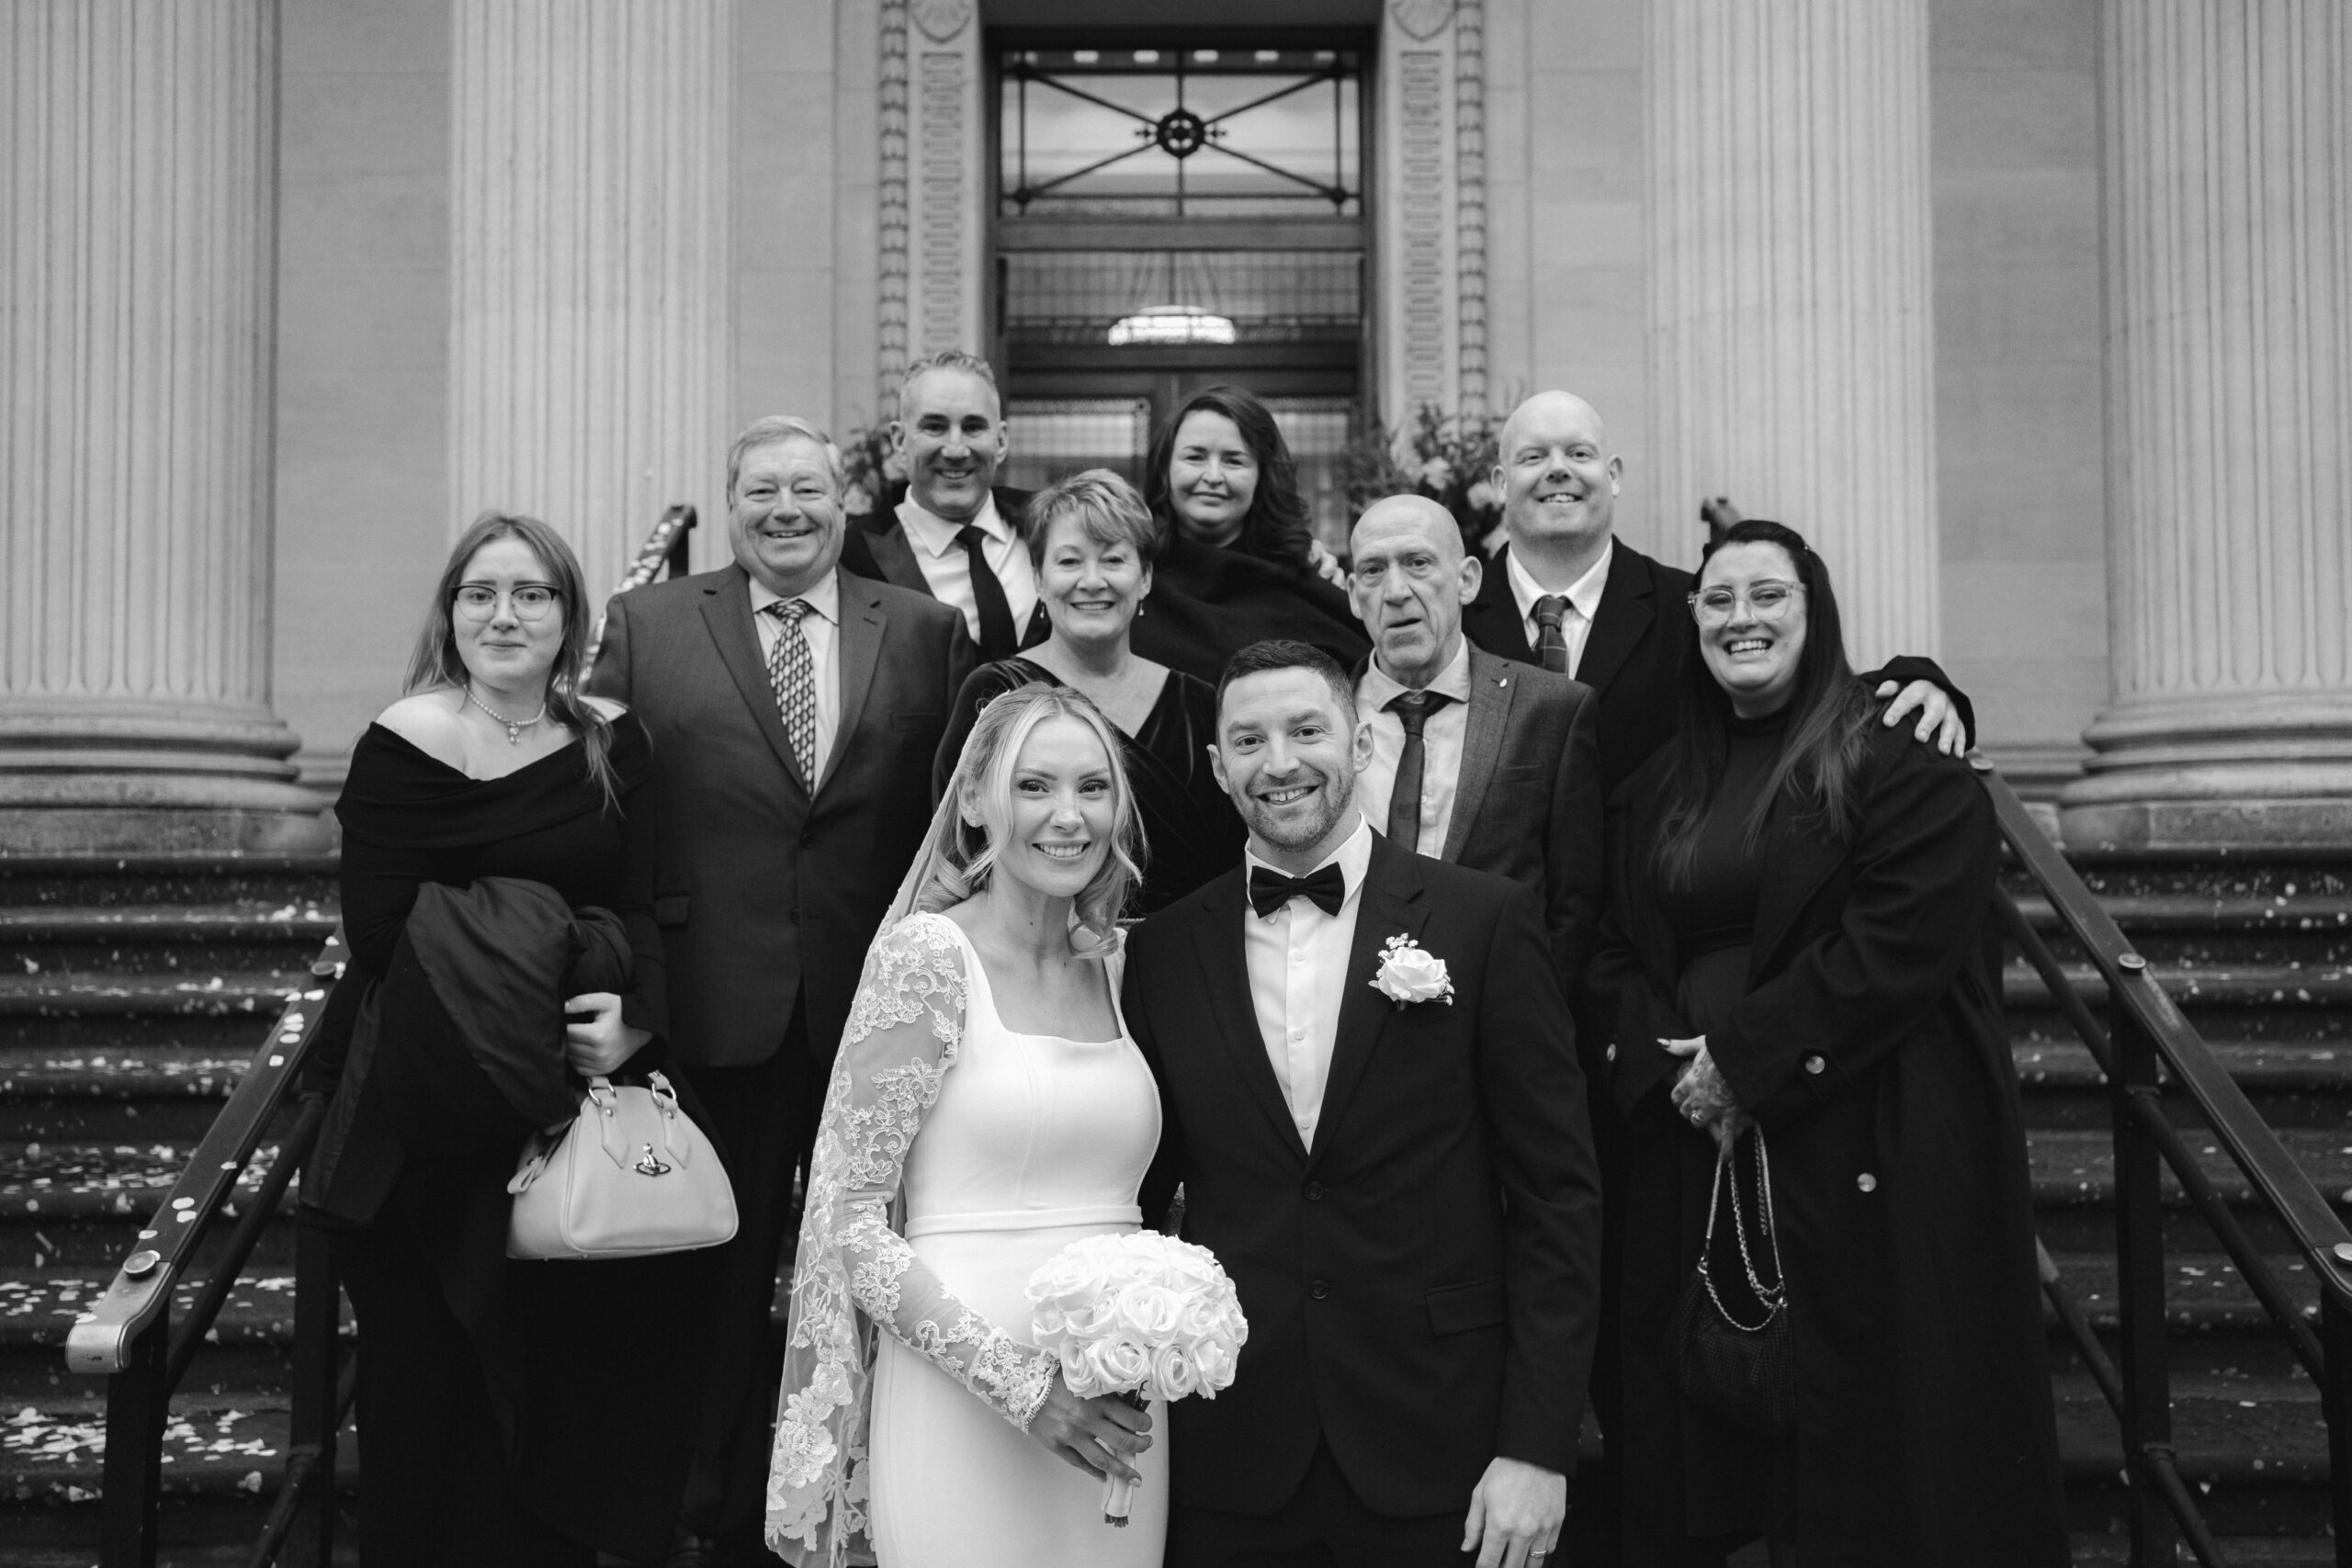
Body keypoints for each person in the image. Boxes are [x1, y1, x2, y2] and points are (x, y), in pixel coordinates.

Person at [1583, 520, 2068, 1566]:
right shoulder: (1658, 784)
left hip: (1867, 1130)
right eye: (1717, 600)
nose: (1740, 618)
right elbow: (1611, 946)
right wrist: (1664, 1069)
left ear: (1816, 612)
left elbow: (1901, 940)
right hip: (1692, 1142)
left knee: (1866, 1451)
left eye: (1768, 596)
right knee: (1701, 1455)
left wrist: (1745, 1062)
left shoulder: (1901, 757)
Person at [585, 415, 975, 1568]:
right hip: (709, 1003)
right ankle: (708, 1507)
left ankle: (872, 1501)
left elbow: (948, 818)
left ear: (844, 502)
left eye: (807, 489)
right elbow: (602, 817)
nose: (785, 510)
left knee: (876, 1267)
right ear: (731, 500)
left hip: (877, 1011)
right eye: (761, 492)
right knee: (713, 1279)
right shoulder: (648, 625)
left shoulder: (920, 629)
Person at [1125, 638, 1603, 1568]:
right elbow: (1138, 1199)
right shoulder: (1164, 951)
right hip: (1230, 1447)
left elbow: (1556, 1199)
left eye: (1307, 730)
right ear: (1220, 769)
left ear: (1359, 746)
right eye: (1250, 741)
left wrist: (1537, 1445)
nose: (1281, 762)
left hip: (1443, 1441)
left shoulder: (1483, 922)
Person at [311, 512, 706, 1565]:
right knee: (425, 1392)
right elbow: (385, 932)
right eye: (480, 592)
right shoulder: (403, 742)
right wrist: (571, 947)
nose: (505, 614)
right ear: (450, 614)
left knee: (558, 1385)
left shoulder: (614, 743)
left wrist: (633, 1018)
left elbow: (645, 900)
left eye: (532, 594)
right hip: (430, 1119)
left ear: (570, 617)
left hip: (574, 1112)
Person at [765, 684, 1167, 1568]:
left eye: (1093, 788)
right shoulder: (927, 957)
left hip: (1116, 1406)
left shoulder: (1123, 965)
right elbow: (850, 1219)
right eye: (1034, 787)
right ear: (978, 802)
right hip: (964, 1395)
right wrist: (1027, 1390)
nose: (1069, 816)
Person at [1462, 390, 1970, 798]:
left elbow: (1792, 676)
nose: (1558, 469)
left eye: (1579, 453)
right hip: (1492, 912)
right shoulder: (1451, 618)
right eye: (1534, 456)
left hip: (1645, 908)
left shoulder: (1693, 605)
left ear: (1612, 476)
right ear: (1501, 483)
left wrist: (1918, 682)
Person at [935, 470, 1244, 913]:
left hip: (1182, 957)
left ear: (1145, 579)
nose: (1093, 580)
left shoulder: (1199, 702)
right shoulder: (996, 692)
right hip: (1040, 955)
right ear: (1038, 579)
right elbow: (960, 848)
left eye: (1114, 560)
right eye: (1070, 561)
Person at [1345, 493, 1604, 982]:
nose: (1396, 590)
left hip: (1501, 1018)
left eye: (1418, 563)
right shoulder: (1323, 719)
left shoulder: (1551, 710)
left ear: (1467, 580)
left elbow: (1576, 905)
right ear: (1355, 596)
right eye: (1374, 571)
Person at [1130, 386, 1370, 682]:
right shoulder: (1133, 578)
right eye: (1194, 457)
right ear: (1164, 469)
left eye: (1234, 460)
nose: (1213, 476)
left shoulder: (1303, 579)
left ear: (1262, 475)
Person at [838, 349, 1048, 660]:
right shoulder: (851, 557)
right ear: (899, 441)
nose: (955, 449)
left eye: (973, 427)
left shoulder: (1052, 526)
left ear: (1001, 441)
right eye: (935, 427)